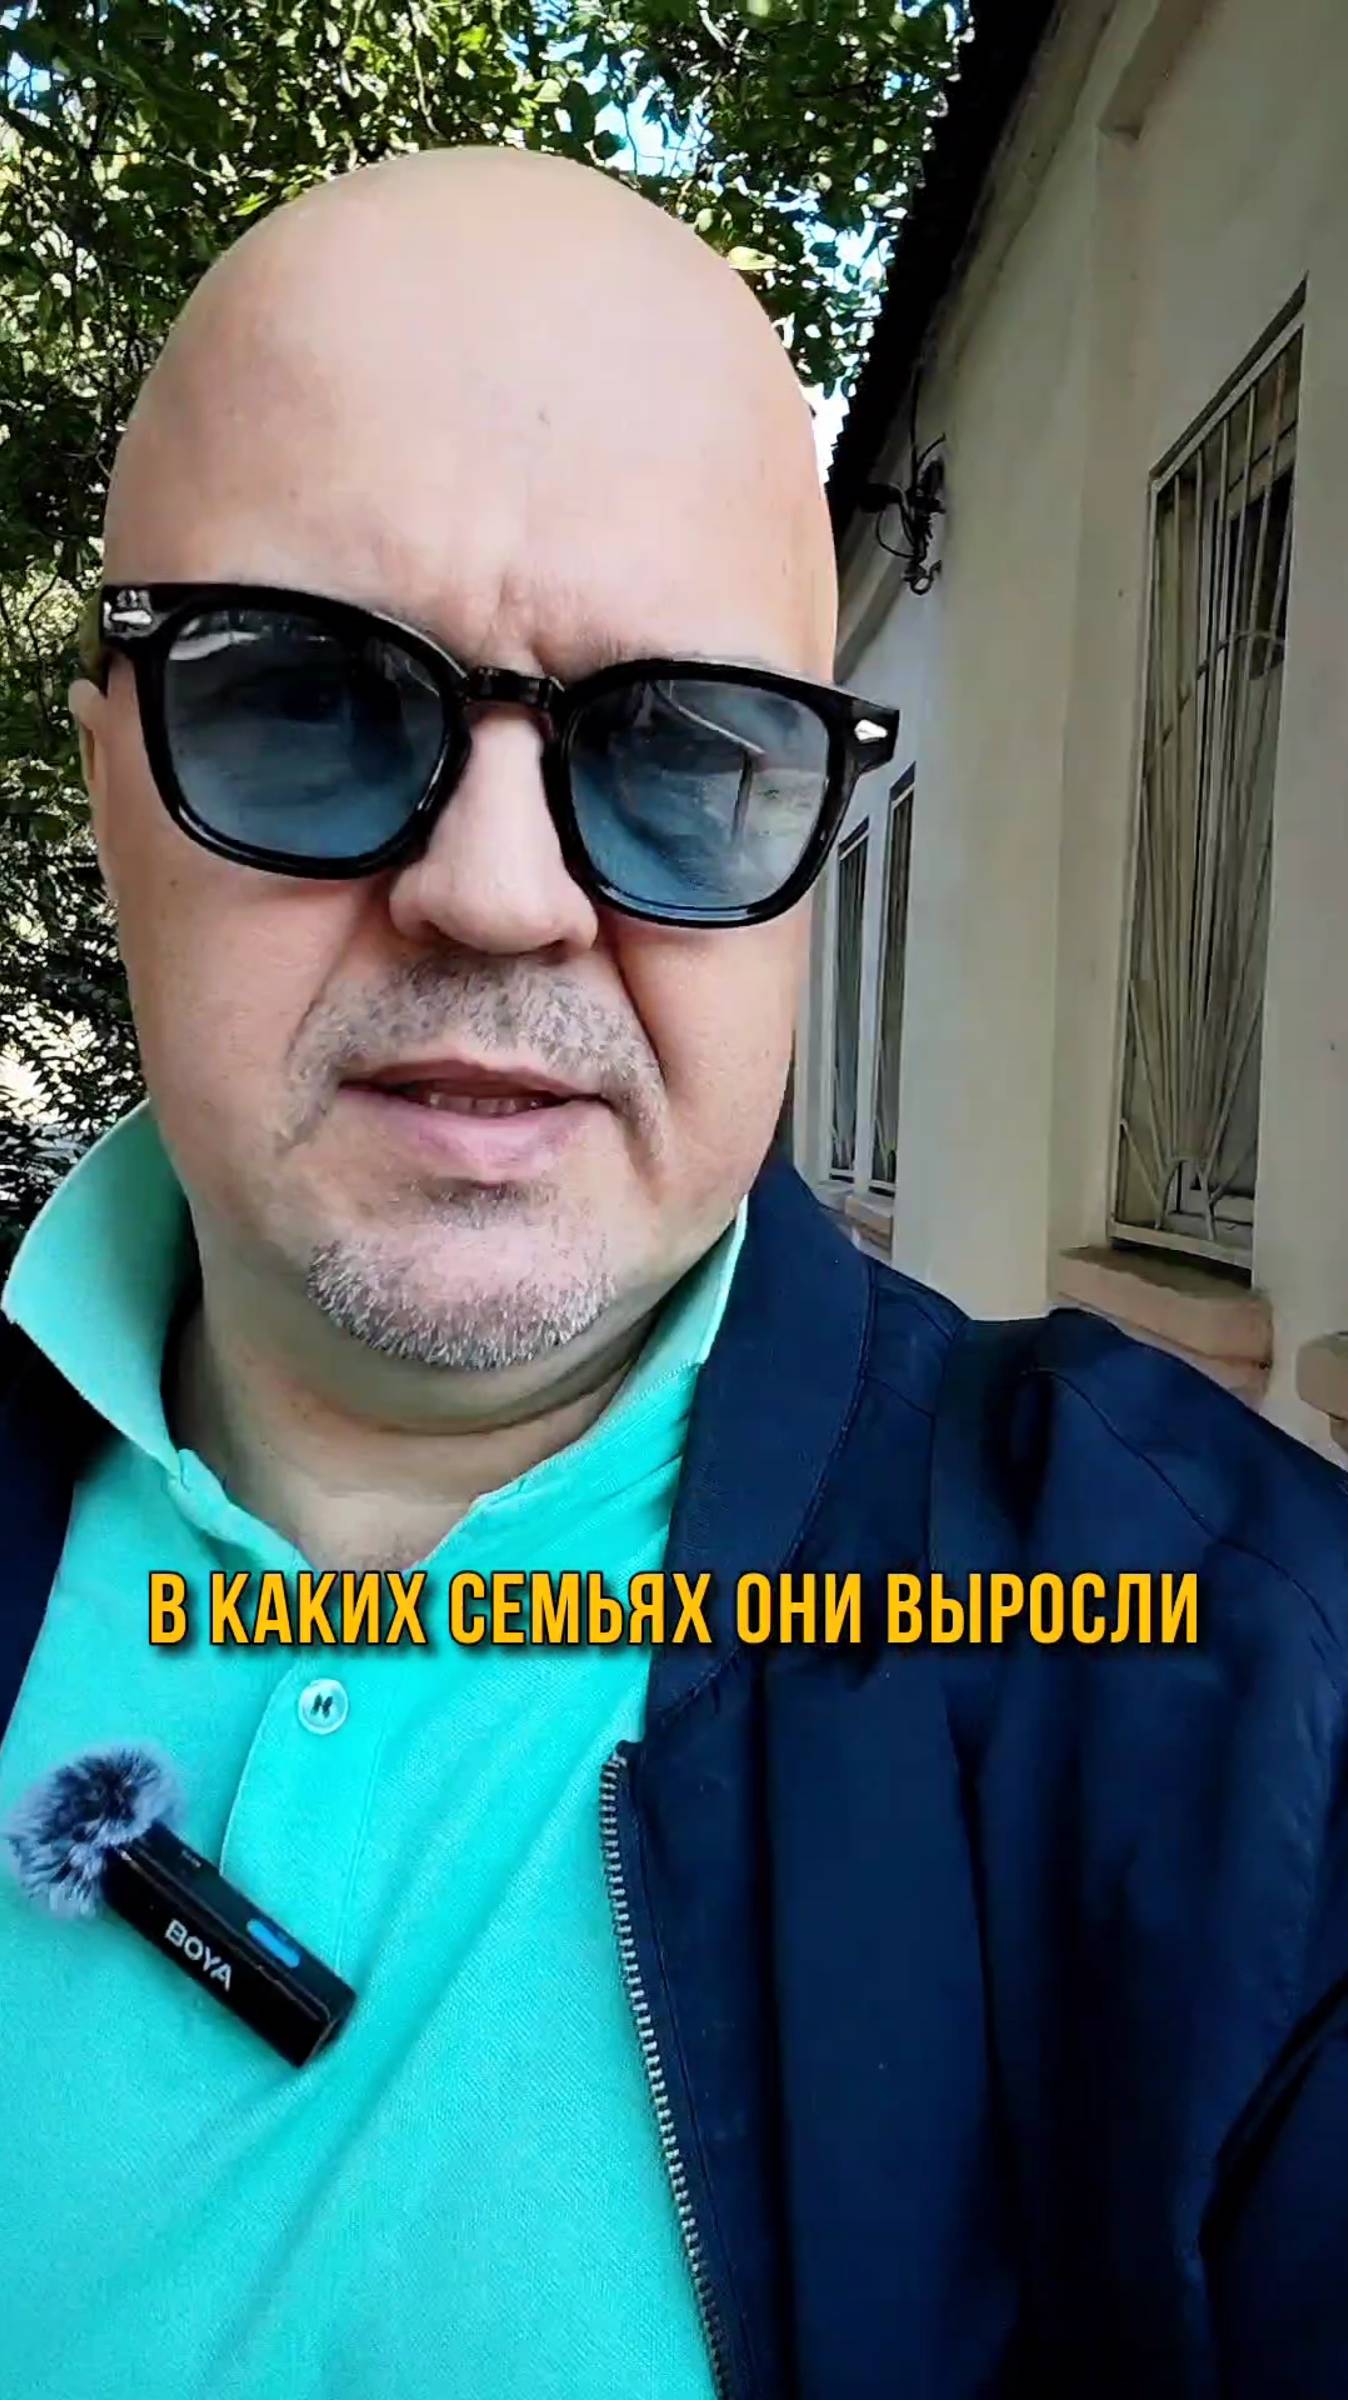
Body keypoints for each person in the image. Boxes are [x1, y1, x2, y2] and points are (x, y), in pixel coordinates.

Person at [0, 144, 1345, 2400]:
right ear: (108, 781)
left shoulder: (1234, 1688)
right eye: (304, 702)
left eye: (676, 749)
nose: (499, 892)